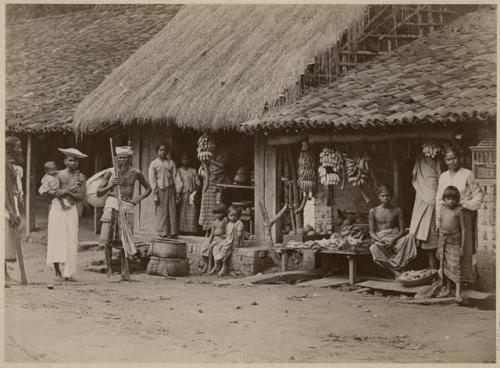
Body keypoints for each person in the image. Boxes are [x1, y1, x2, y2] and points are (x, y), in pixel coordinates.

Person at [97, 146, 152, 282]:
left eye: (125, 158)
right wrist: (111, 186)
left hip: (127, 206)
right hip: (112, 205)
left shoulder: (136, 173)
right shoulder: (111, 172)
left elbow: (149, 188)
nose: (123, 161)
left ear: (130, 159)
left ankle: (124, 271)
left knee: (125, 239)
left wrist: (137, 199)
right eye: (120, 158)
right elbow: (99, 192)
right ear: (117, 159)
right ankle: (110, 271)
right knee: (107, 241)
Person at [436, 146, 483, 285]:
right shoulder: (443, 176)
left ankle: (463, 281)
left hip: (462, 215)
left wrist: (465, 204)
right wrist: (438, 220)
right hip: (446, 216)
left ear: (460, 158)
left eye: (454, 158)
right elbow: (439, 199)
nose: (452, 161)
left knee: (463, 247)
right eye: (449, 159)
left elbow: (478, 195)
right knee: (445, 248)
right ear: (445, 160)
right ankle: (447, 281)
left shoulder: (467, 174)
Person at [45, 148, 87, 281]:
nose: (73, 163)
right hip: (57, 208)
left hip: (71, 208)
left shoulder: (81, 177)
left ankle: (69, 273)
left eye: (75, 160)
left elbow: (80, 197)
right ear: (65, 161)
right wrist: (54, 193)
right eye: (70, 160)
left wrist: (67, 192)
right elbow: (47, 191)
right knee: (56, 238)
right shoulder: (57, 174)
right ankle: (57, 271)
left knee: (71, 240)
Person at [369, 185, 417, 278]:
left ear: (391, 196)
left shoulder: (397, 210)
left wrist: (393, 240)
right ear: (378, 196)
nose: (386, 198)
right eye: (383, 195)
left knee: (410, 237)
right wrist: (379, 240)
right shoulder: (373, 211)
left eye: (388, 195)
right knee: (373, 248)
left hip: (396, 239)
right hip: (382, 240)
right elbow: (371, 232)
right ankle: (395, 272)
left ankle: (402, 268)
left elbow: (402, 230)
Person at [409, 151, 440, 269]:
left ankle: (437, 270)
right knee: (429, 250)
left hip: (435, 215)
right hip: (426, 223)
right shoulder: (420, 189)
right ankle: (431, 269)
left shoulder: (437, 184)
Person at [437, 186, 466, 303]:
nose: (451, 201)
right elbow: (440, 225)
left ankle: (458, 291)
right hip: (443, 240)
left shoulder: (459, 210)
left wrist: (462, 247)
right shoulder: (442, 209)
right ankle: (448, 289)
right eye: (448, 198)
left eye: (453, 199)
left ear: (457, 199)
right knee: (445, 266)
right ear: (444, 199)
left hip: (455, 241)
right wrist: (439, 245)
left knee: (455, 266)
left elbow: (463, 229)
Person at [148, 143, 182, 238]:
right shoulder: (154, 164)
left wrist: (178, 190)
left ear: (167, 152)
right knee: (162, 211)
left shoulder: (171, 163)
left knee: (172, 210)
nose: (163, 152)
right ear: (157, 151)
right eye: (161, 150)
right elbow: (152, 179)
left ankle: (172, 231)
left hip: (171, 189)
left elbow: (176, 176)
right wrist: (155, 193)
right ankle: (162, 231)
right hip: (160, 190)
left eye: (165, 150)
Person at [5, 136, 24, 286]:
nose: (20, 149)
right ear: (9, 148)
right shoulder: (4, 162)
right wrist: (10, 209)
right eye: (18, 147)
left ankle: (4, 274)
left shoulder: (10, 163)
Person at [198, 151, 229, 234]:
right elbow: (200, 170)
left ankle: (216, 230)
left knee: (216, 208)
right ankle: (207, 231)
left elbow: (223, 166)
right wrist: (204, 173)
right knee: (206, 209)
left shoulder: (221, 158)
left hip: (217, 186)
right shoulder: (206, 160)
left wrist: (211, 161)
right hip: (207, 187)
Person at [209, 205, 244, 276]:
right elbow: (227, 233)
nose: (233, 218)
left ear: (239, 216)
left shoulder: (239, 223)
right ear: (228, 215)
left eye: (235, 216)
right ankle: (217, 265)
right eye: (231, 216)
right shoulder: (229, 224)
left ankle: (224, 267)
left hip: (234, 242)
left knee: (225, 249)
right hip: (228, 240)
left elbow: (239, 234)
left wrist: (240, 239)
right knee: (217, 247)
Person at [200, 204, 228, 273]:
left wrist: (226, 238)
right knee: (204, 247)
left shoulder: (225, 220)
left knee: (212, 247)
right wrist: (210, 240)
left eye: (218, 213)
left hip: (222, 239)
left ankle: (212, 265)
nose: (216, 215)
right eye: (215, 213)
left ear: (223, 213)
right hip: (215, 238)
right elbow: (212, 232)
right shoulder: (215, 222)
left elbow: (228, 229)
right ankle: (206, 264)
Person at [177, 154, 200, 234]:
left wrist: (195, 193)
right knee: (182, 213)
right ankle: (182, 231)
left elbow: (198, 183)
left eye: (187, 159)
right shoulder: (178, 170)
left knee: (192, 213)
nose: (185, 161)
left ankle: (191, 231)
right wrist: (178, 194)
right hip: (182, 194)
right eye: (183, 159)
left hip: (191, 194)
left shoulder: (193, 171)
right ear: (181, 160)